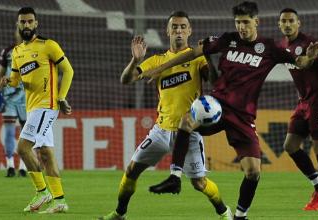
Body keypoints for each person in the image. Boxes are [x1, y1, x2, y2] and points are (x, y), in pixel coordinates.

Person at [140, 2, 318, 219]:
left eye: (246, 22)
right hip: (216, 106)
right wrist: (160, 68)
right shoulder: (228, 39)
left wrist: (310, 57)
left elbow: (300, 62)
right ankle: (175, 177)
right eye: (238, 23)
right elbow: (193, 53)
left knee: (253, 172)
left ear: (256, 21)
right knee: (186, 121)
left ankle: (239, 215)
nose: (242, 27)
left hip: (243, 116)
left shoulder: (270, 48)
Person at [99, 11, 232, 220]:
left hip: (189, 131)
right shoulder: (157, 61)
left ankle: (224, 212)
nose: (178, 31)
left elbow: (215, 83)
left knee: (199, 183)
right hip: (161, 129)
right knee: (132, 170)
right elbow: (126, 80)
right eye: (174, 27)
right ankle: (119, 213)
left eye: (182, 27)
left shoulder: (197, 60)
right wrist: (135, 61)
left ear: (189, 31)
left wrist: (207, 55)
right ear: (168, 31)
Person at [0, 7, 74, 213]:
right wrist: (9, 81)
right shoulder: (17, 52)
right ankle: (59, 200)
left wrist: (61, 97)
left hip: (46, 106)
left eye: (29, 21)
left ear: (36, 23)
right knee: (46, 154)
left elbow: (68, 70)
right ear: (17, 25)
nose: (26, 25)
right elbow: (16, 80)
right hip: (32, 107)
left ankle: (42, 191)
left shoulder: (48, 45)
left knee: (23, 148)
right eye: (22, 22)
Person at [278, 8, 318, 211]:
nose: (287, 24)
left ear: (298, 23)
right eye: (283, 21)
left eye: (291, 21)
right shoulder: (282, 47)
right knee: (290, 145)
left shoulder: (310, 42)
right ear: (279, 24)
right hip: (303, 102)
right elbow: (302, 62)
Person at [0, 29, 27, 177]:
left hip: (27, 98)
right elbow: (0, 74)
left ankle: (22, 166)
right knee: (9, 131)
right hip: (9, 97)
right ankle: (10, 165)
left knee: (26, 133)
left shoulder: (35, 51)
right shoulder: (7, 51)